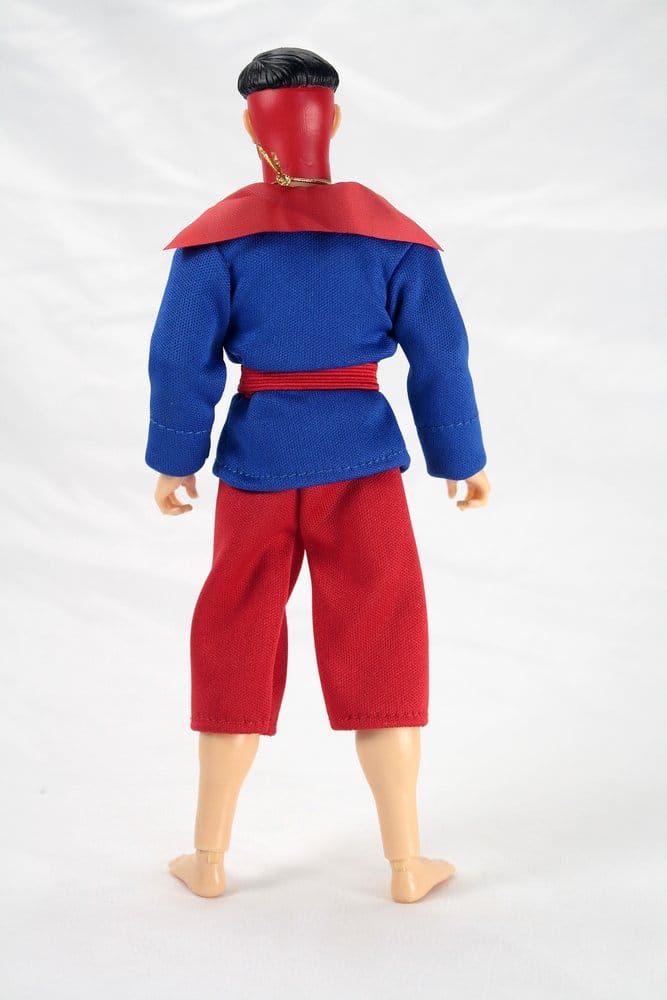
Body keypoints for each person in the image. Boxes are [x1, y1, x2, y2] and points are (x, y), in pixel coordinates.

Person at [145, 46, 491, 903]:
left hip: (256, 465)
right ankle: (406, 865)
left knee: (233, 633)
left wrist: (176, 460)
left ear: (249, 126)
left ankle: (209, 859)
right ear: (331, 119)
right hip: (361, 464)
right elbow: (440, 354)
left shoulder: (218, 242)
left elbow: (180, 358)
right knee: (383, 637)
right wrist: (459, 458)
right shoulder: (391, 239)